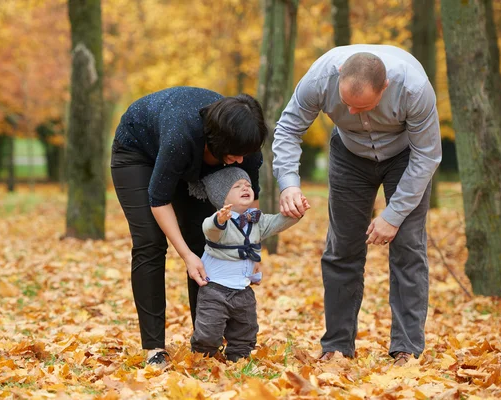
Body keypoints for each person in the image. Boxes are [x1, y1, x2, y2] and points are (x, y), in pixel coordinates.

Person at [272, 45, 442, 366]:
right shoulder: (319, 78)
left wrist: (393, 216)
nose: (351, 112)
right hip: (349, 156)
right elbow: (288, 128)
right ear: (338, 78)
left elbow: (427, 156)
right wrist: (289, 183)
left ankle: (406, 348)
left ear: (386, 88)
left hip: (405, 158)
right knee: (342, 249)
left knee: (407, 248)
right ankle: (337, 346)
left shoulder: (414, 89)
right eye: (346, 103)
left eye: (363, 106)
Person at [111, 87, 268, 367]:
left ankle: (206, 342)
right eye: (237, 154)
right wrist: (186, 256)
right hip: (139, 152)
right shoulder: (181, 135)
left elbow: (249, 203)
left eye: (247, 154)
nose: (242, 161)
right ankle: (154, 349)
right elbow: (159, 200)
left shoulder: (245, 147)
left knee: (206, 241)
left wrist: (251, 250)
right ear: (218, 141)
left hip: (197, 157)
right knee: (150, 242)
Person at [188, 167, 309, 361]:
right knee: (209, 330)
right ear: (222, 197)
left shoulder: (256, 222)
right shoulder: (220, 222)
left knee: (245, 328)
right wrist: (219, 219)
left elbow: (277, 222)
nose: (245, 187)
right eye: (237, 186)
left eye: (248, 185)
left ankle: (239, 356)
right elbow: (210, 229)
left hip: (243, 290)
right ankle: (202, 355)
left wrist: (295, 213)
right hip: (215, 289)